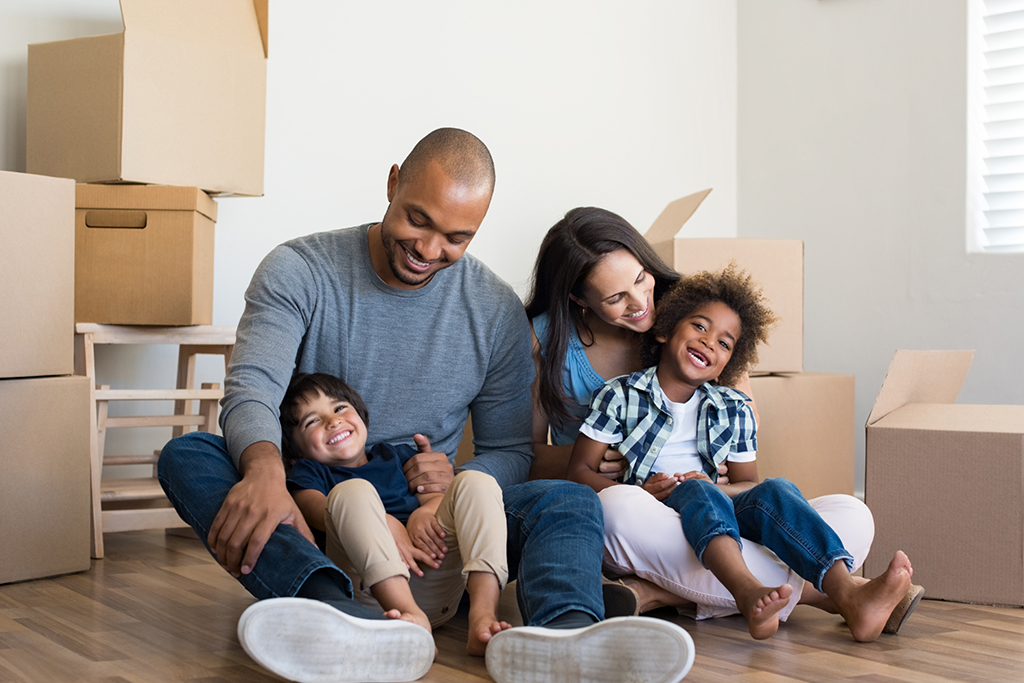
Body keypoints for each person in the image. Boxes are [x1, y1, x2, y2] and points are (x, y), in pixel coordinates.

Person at [158, 129, 695, 683]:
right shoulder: (300, 270)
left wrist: (446, 490)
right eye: (418, 220)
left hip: (436, 533)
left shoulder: (493, 311)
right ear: (393, 183)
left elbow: (508, 448)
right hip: (315, 512)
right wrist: (266, 471)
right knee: (190, 456)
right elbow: (253, 388)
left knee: (566, 500)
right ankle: (332, 607)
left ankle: (567, 639)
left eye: (456, 237)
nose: (429, 250)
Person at [524, 207, 921, 633]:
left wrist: (718, 487)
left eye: (641, 279)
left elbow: (744, 467)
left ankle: (656, 593)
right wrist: (604, 464)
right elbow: (525, 456)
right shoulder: (571, 359)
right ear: (579, 299)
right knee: (621, 508)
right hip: (635, 511)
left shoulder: (699, 313)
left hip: (717, 505)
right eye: (616, 298)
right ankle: (827, 594)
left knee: (852, 513)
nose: (642, 304)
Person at [280, 372, 511, 655]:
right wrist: (384, 521)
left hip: (435, 574)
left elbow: (437, 497)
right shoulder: (309, 473)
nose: (333, 420)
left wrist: (424, 512)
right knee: (352, 492)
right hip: (374, 594)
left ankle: (483, 615)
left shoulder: (395, 455)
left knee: (476, 482)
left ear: (361, 416)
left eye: (339, 408)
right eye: (312, 421)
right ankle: (409, 617)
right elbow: (316, 512)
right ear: (295, 450)